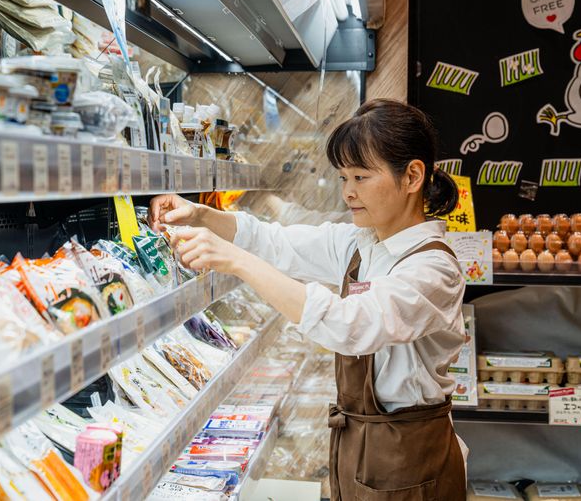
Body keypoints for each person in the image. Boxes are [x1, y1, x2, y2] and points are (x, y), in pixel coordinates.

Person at [149, 99, 467, 500]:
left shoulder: (433, 270)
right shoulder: (360, 243)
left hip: (412, 460)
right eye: (343, 178)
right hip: (358, 447)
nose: (348, 192)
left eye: (361, 177)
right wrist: (198, 214)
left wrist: (237, 262)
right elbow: (274, 240)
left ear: (412, 176)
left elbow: (350, 326)